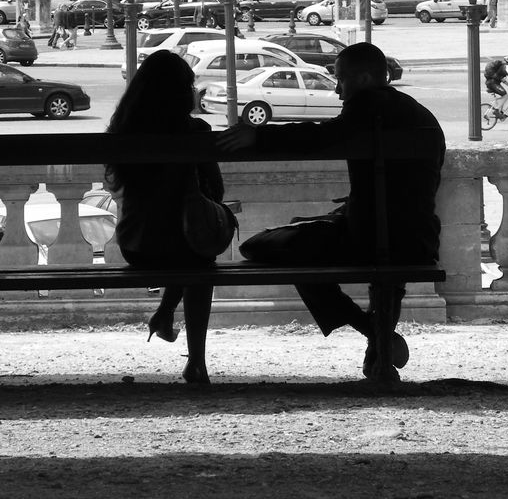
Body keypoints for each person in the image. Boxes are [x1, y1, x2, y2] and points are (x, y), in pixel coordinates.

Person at [219, 42, 445, 379]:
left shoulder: (367, 105)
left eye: (341, 79)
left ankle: (372, 332)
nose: (337, 90)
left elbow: (320, 137)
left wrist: (258, 137)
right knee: (389, 270)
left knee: (267, 248)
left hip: (365, 239)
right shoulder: (418, 113)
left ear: (365, 78)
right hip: (417, 240)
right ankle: (378, 356)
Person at [105, 50, 223, 384]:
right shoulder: (195, 131)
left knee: (179, 241)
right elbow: (215, 190)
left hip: (136, 243)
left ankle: (165, 313)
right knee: (198, 255)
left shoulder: (123, 130)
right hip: (185, 244)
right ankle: (196, 360)